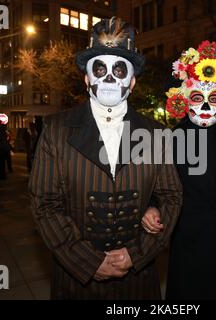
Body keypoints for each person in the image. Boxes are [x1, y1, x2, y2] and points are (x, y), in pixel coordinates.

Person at [29, 17, 183, 300]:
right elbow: (44, 204)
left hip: (137, 283)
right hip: (77, 282)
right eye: (100, 69)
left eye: (119, 69)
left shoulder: (157, 134)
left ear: (132, 81)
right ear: (87, 79)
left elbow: (171, 196)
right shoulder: (56, 130)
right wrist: (87, 262)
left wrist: (138, 251)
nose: (109, 78)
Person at [142, 41, 216, 300]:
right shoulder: (171, 140)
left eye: (214, 97)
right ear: (184, 98)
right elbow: (156, 186)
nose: (206, 105)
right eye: (198, 97)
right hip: (189, 243)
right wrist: (151, 207)